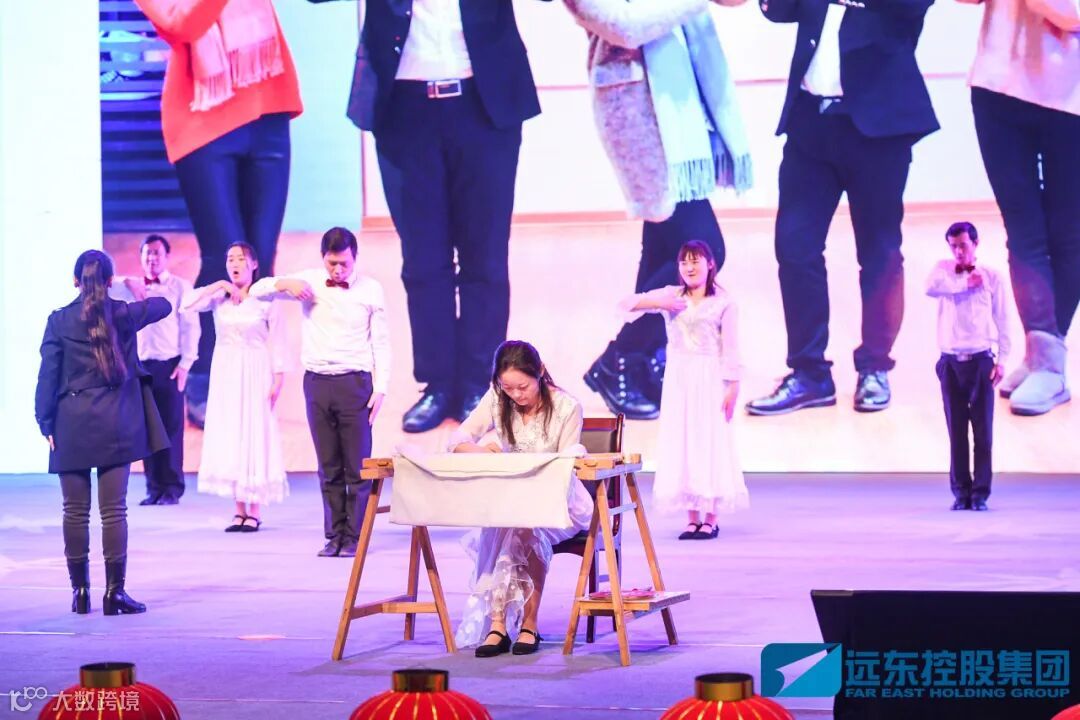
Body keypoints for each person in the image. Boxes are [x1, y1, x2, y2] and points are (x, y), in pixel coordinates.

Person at [327, 0, 545, 433]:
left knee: (485, 257)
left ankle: (482, 382)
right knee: (424, 261)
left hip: (484, 105)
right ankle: (437, 384)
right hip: (404, 111)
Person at [747, 0, 939, 415]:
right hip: (810, 121)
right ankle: (809, 372)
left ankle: (875, 367)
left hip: (879, 127)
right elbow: (779, 10)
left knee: (880, 252)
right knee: (794, 247)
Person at [564, 0, 752, 420]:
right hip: (636, 114)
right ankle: (620, 357)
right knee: (705, 251)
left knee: (664, 249)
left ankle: (640, 359)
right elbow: (625, 26)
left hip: (681, 110)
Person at [134, 0, 303, 427]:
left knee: (260, 257)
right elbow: (180, 24)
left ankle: (249, 372)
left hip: (268, 106)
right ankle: (201, 373)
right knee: (224, 256)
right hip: (201, 120)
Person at [35, 250, 171, 615]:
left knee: (74, 511)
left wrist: (45, 422)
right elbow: (164, 306)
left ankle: (80, 593)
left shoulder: (58, 320)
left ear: (75, 281)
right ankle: (114, 593)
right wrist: (138, 290)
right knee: (113, 511)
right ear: (110, 281)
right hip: (116, 423)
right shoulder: (123, 314)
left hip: (70, 423)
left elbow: (47, 376)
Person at [960, 0, 1078, 415]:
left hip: (1071, 97)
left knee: (1067, 232)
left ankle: (1049, 361)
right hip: (998, 85)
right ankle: (1040, 353)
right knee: (1023, 231)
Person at [250, 227, 390, 557]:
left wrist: (381, 387)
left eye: (344, 264)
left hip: (355, 382)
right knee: (328, 465)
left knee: (357, 466)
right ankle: (334, 535)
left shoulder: (371, 289)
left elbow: (381, 342)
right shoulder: (310, 281)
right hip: (317, 382)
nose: (337, 270)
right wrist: (285, 283)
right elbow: (257, 291)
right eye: (331, 264)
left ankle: (354, 537)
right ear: (323, 259)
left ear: (355, 258)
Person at [448, 340, 593, 657]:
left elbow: (568, 462)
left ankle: (524, 624)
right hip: (513, 499)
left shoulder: (567, 407)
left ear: (540, 371)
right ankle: (500, 625)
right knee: (507, 522)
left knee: (526, 528)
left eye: (523, 387)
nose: (516, 395)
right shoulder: (497, 398)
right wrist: (480, 451)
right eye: (508, 388)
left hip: (560, 501)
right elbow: (459, 438)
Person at [619, 240, 748, 539]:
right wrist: (660, 304)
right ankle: (692, 517)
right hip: (679, 379)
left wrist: (733, 386)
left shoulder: (724, 302)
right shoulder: (672, 295)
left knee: (710, 440)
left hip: (710, 378)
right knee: (684, 440)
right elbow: (626, 304)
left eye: (696, 261)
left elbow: (731, 348)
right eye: (684, 262)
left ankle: (711, 518)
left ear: (710, 264)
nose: (689, 267)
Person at [182, 242, 289, 532]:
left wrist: (279, 378)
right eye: (230, 259)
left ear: (254, 264)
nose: (235, 263)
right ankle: (238, 510)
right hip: (226, 372)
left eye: (241, 258)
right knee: (232, 433)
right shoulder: (219, 298)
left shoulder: (265, 299)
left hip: (255, 370)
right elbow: (186, 304)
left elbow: (279, 340)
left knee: (253, 431)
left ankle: (254, 510)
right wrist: (219, 285)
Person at [926, 222, 1011, 512]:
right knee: (956, 431)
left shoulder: (992, 276)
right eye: (953, 246)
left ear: (975, 243)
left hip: (981, 360)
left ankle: (980, 494)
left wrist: (1003, 361)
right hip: (950, 361)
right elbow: (929, 288)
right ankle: (960, 492)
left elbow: (1003, 320)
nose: (958, 251)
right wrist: (964, 284)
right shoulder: (943, 270)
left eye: (963, 245)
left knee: (983, 432)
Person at [110, 234, 200, 506]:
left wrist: (185, 364)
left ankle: (171, 488)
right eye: (147, 253)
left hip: (169, 365)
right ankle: (154, 488)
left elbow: (191, 327)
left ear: (166, 257)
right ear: (141, 257)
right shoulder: (131, 287)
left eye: (157, 253)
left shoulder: (180, 287)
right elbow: (104, 287)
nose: (152, 258)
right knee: (146, 429)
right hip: (139, 366)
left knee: (170, 428)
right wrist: (126, 281)